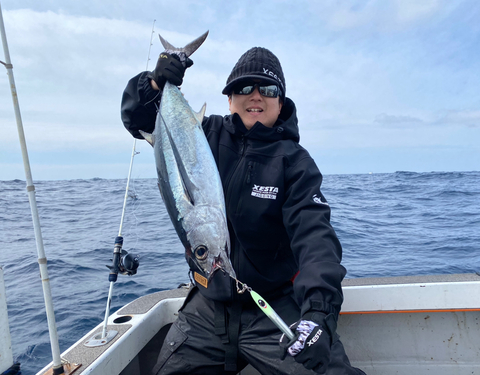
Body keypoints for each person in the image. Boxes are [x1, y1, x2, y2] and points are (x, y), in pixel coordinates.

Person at [121, 45, 365, 375]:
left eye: (268, 89)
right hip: (208, 306)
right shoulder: (204, 135)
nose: (255, 96)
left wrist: (319, 313)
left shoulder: (295, 163)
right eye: (243, 87)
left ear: (281, 101)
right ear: (229, 98)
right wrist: (154, 83)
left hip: (274, 305)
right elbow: (137, 119)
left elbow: (315, 239)